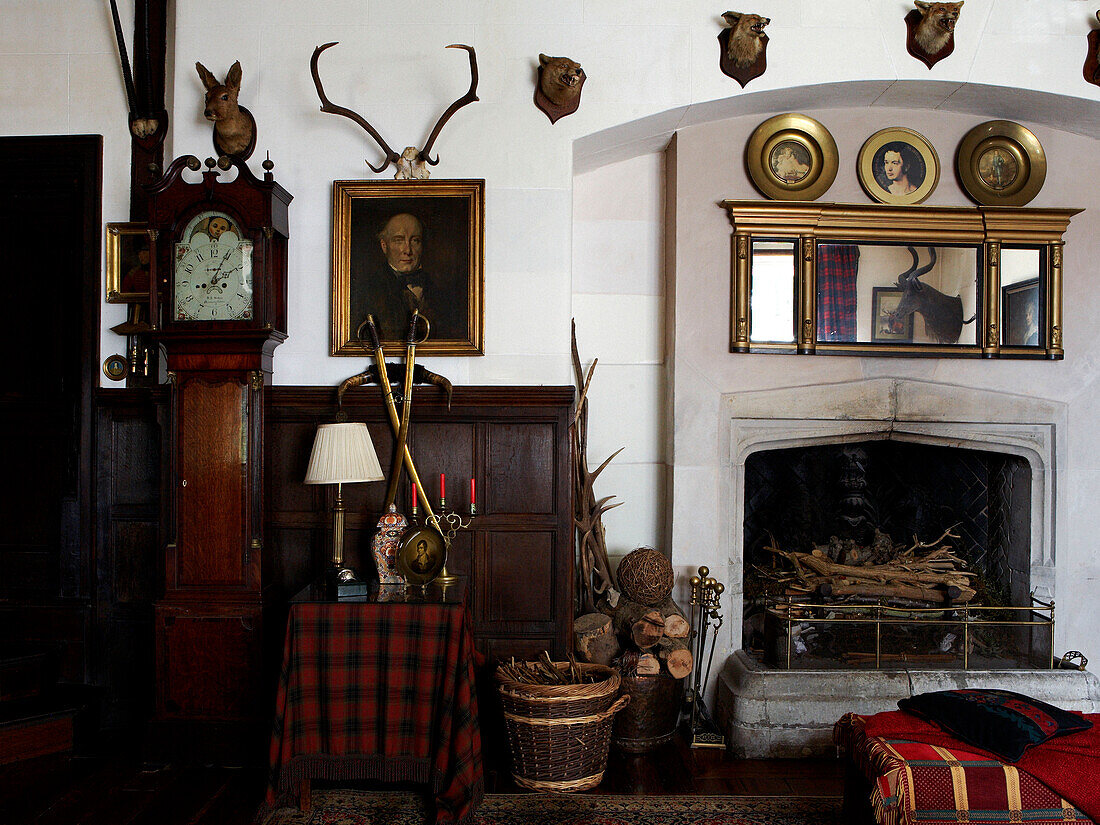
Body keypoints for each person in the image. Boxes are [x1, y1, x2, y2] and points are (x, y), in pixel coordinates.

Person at [350, 211, 465, 342]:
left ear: (422, 245)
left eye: (415, 241)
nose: (408, 250)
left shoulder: (441, 290)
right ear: (384, 246)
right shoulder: (367, 290)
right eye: (399, 241)